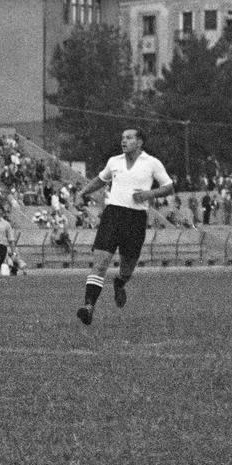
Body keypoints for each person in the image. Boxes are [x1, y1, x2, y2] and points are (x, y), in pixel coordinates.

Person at [72, 128, 174, 325]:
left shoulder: (152, 163)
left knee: (128, 265)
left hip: (136, 218)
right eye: (122, 138)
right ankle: (88, 307)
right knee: (100, 262)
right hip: (113, 215)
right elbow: (101, 179)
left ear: (140, 142)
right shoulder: (114, 161)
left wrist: (148, 194)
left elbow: (168, 186)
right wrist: (82, 192)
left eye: (129, 138)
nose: (124, 141)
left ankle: (119, 282)